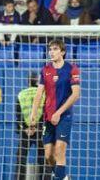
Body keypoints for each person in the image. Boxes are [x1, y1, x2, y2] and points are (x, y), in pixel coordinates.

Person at [27, 39, 81, 180]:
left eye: (55, 49)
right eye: (50, 49)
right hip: (48, 117)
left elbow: (76, 94)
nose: (51, 52)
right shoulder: (45, 70)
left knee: (60, 150)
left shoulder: (72, 69)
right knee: (48, 155)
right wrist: (33, 115)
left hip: (64, 116)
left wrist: (59, 112)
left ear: (62, 52)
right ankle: (61, 176)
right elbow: (39, 94)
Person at [15, 73, 43, 180]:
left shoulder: (21, 94)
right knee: (43, 158)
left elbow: (18, 115)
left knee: (21, 158)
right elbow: (45, 113)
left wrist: (25, 128)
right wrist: (37, 128)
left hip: (25, 132)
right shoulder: (44, 94)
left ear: (28, 81)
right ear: (38, 81)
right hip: (41, 131)